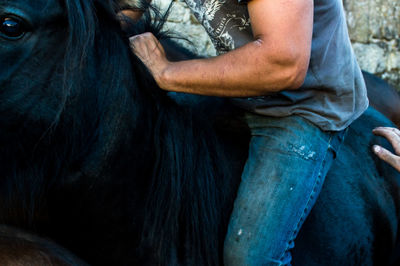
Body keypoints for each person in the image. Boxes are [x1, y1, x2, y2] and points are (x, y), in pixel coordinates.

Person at [129, 0, 369, 264]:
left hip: (303, 106)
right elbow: (125, 8)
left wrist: (167, 72)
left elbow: (283, 64)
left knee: (251, 259)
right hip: (240, 91)